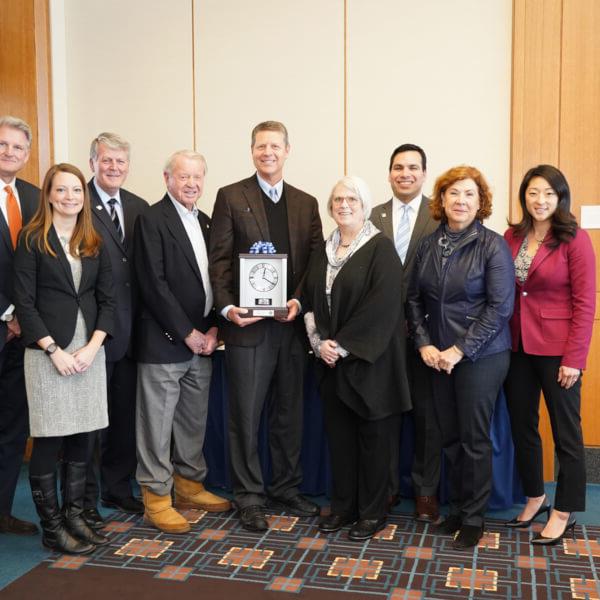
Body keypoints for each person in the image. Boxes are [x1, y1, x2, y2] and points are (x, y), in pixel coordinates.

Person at [209, 121, 323, 531]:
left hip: (290, 328)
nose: (268, 152)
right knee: (245, 414)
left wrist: (298, 301)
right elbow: (219, 262)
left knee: (289, 413)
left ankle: (286, 487)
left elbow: (315, 266)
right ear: (252, 151)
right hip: (247, 328)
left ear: (288, 150)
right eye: (261, 146)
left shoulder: (306, 203)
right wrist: (226, 310)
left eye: (275, 145)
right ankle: (249, 495)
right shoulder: (230, 196)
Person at [407, 165, 514, 549]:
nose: (461, 201)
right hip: (436, 355)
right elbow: (414, 299)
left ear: (480, 201)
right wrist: (424, 344)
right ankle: (456, 507)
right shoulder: (428, 243)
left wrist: (459, 350)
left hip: (481, 358)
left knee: (473, 440)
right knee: (448, 438)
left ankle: (473, 516)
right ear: (442, 199)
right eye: (454, 193)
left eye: (469, 194)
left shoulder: (492, 245)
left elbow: (500, 309)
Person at [13, 163, 114, 554]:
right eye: (62, 190)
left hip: (89, 352)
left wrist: (92, 347)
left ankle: (74, 518)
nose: (70, 197)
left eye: (76, 190)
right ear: (49, 194)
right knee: (49, 437)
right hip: (46, 354)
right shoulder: (32, 239)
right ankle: (53, 528)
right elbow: (24, 301)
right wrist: (52, 350)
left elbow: (108, 299)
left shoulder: (93, 238)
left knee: (83, 437)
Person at [303, 176, 410, 540]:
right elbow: (310, 297)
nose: (344, 205)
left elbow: (382, 307)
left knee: (374, 443)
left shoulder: (381, 248)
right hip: (331, 364)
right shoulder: (325, 248)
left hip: (371, 364)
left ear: (365, 206)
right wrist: (319, 343)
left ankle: (372, 513)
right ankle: (344, 507)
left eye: (352, 199)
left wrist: (342, 345)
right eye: (337, 199)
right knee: (341, 442)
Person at [134, 150, 230, 534]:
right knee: (156, 425)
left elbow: (214, 282)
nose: (191, 183)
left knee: (193, 420)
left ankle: (189, 485)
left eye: (197, 177)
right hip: (164, 341)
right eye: (183, 176)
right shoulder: (151, 220)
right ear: (167, 178)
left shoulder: (207, 222)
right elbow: (152, 285)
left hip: (202, 342)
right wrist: (185, 332)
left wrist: (212, 330)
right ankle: (156, 497)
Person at [504, 165, 596, 545]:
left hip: (559, 352)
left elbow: (585, 301)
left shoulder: (574, 239)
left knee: (566, 433)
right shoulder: (512, 235)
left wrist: (575, 358)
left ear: (560, 198)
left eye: (548, 193)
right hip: (516, 346)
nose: (540, 200)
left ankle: (564, 509)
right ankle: (535, 496)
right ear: (524, 196)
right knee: (522, 426)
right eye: (533, 192)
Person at [80, 132, 148, 528]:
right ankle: (84, 497)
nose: (114, 168)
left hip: (131, 333)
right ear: (93, 163)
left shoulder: (138, 207)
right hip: (90, 333)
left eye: (121, 162)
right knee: (89, 421)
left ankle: (117, 488)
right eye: (107, 161)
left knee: (123, 417)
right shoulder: (77, 201)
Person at [370, 144, 440, 521]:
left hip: (427, 332)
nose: (405, 173)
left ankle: (426, 492)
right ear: (389, 173)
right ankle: (386, 488)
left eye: (413, 167)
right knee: (385, 413)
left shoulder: (440, 214)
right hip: (381, 335)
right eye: (398, 167)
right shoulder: (373, 215)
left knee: (426, 416)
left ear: (424, 174)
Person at [0, 115, 40, 537]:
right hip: (4, 321)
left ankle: (3, 511)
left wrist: (21, 317)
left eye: (17, 148)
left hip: (23, 334)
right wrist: (5, 313)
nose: (9, 153)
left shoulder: (32, 196)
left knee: (13, 427)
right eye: (3, 144)